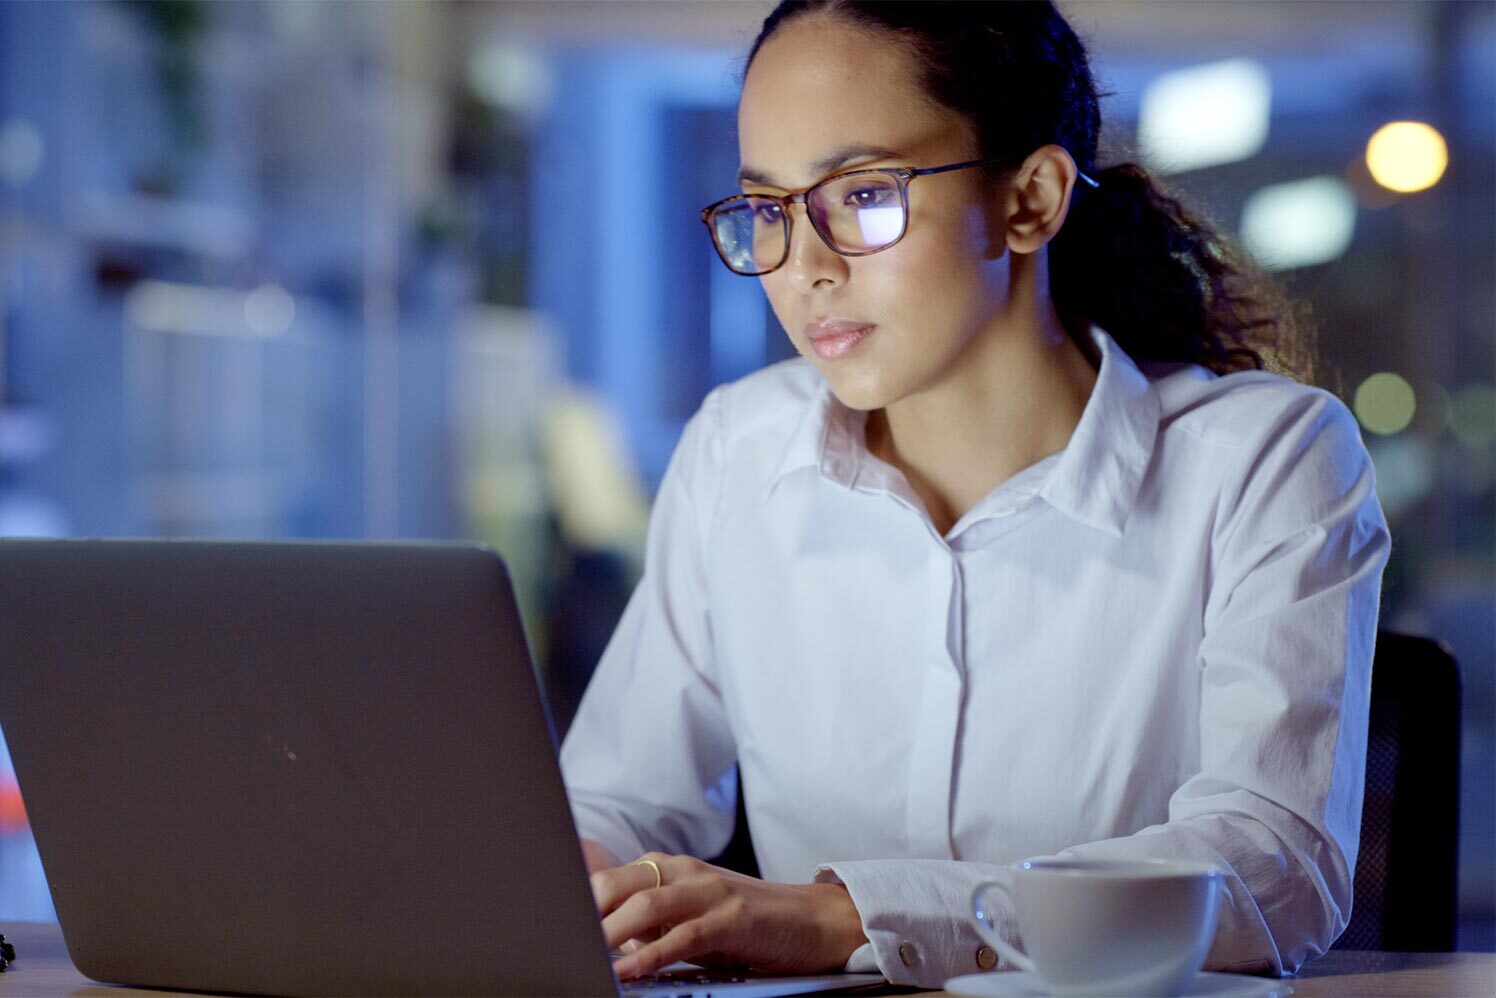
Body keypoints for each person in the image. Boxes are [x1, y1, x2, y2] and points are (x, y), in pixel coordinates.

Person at [559, 0, 1390, 988]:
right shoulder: (735, 452)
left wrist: (844, 915)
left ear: (1029, 198)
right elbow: (614, 802)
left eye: (862, 196)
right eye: (769, 210)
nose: (806, 270)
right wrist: (574, 879)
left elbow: (1271, 864)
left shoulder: (1263, 460)